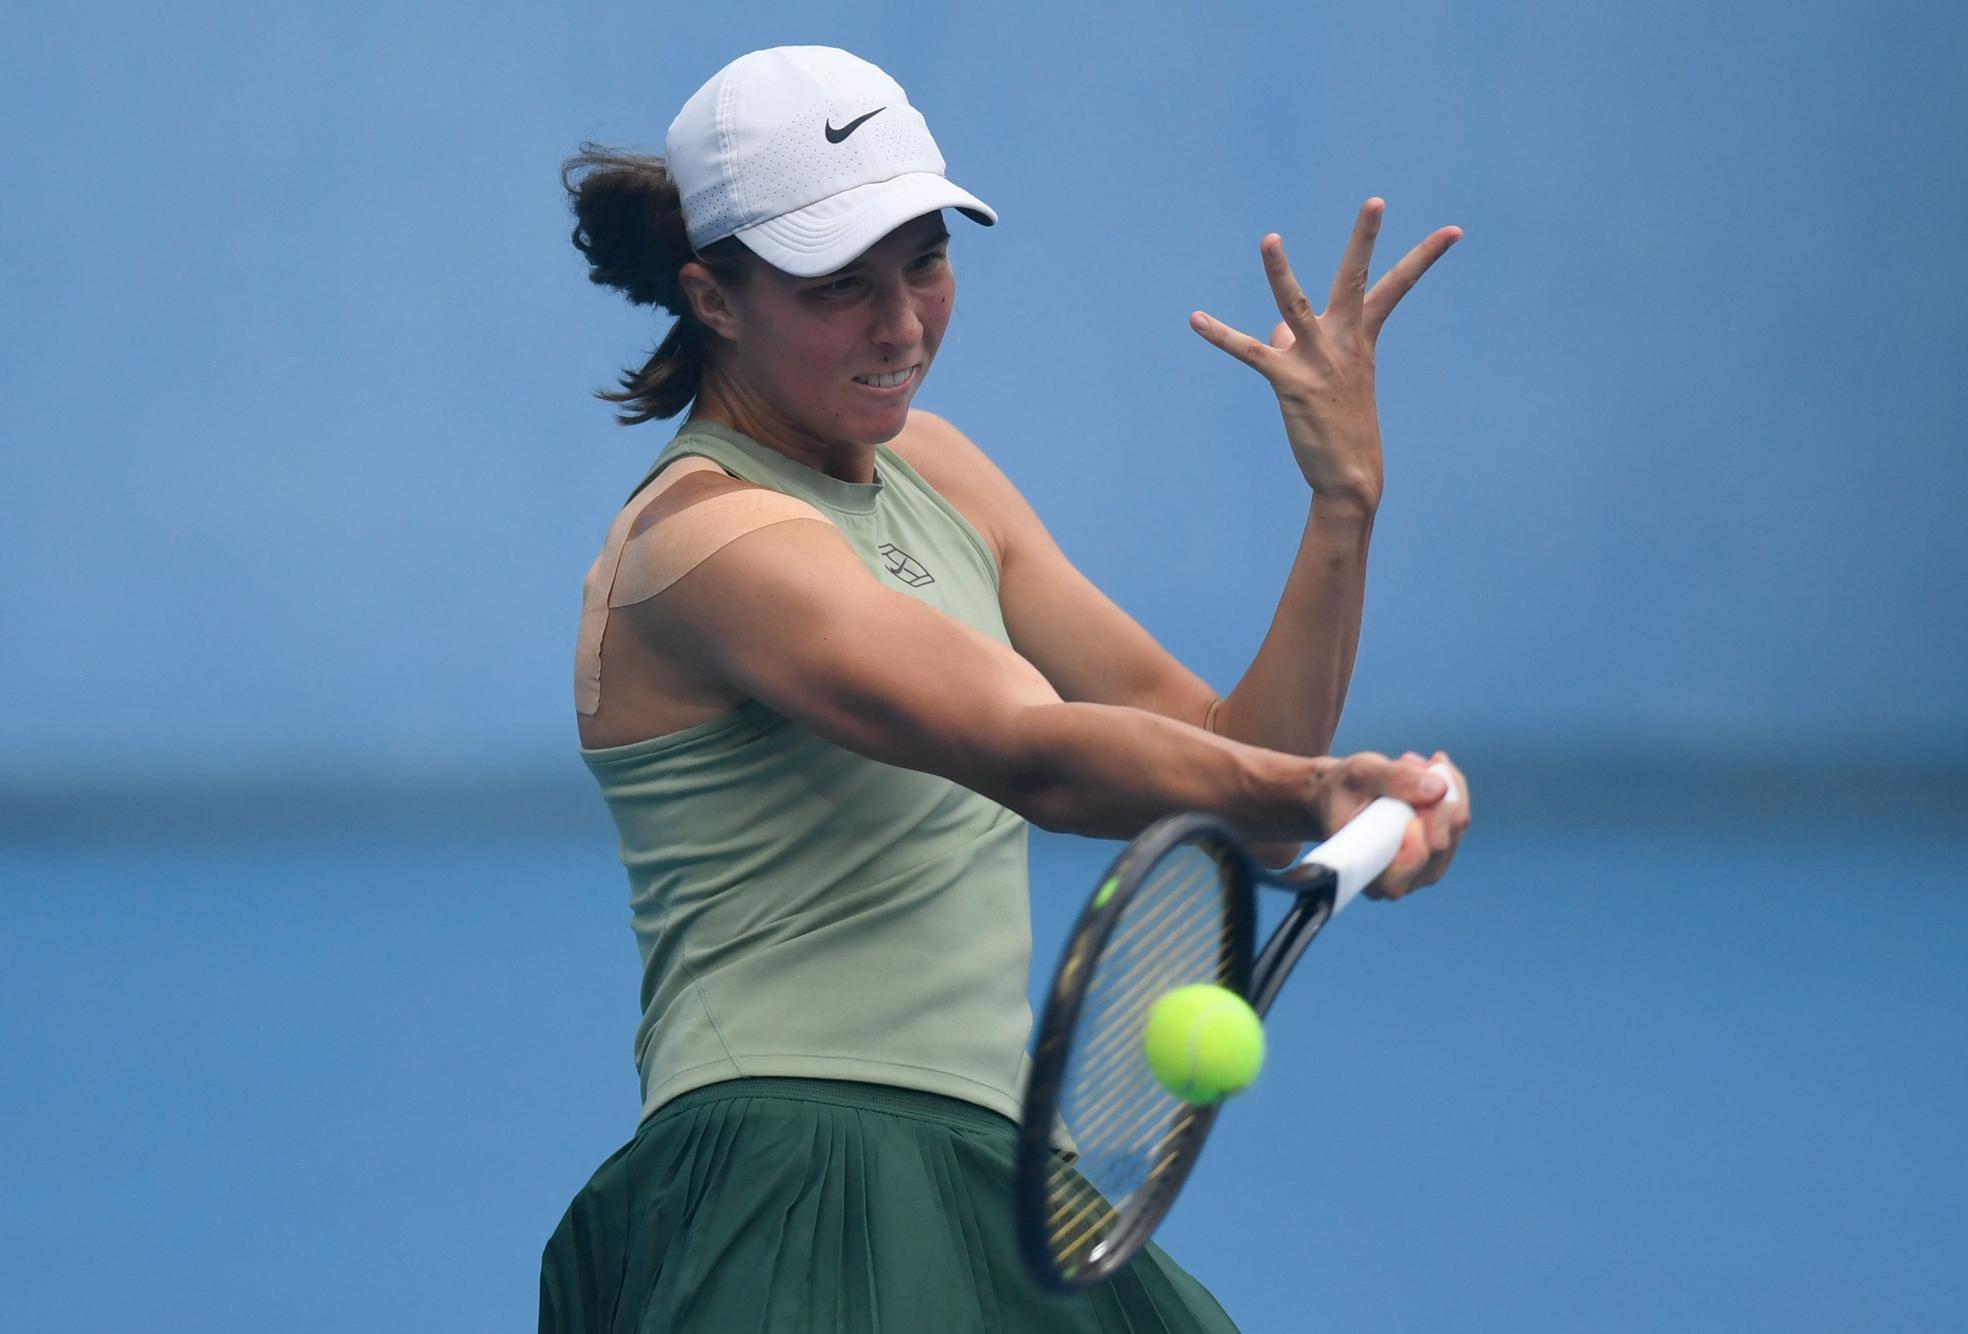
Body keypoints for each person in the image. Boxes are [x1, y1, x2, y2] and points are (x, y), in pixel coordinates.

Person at [541, 44, 1470, 1334]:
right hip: (785, 1177)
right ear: (713, 297)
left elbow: (1217, 756)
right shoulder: (706, 543)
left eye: (923, 261)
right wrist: (1317, 788)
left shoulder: (936, 471)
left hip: (982, 1169)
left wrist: (1342, 508)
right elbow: (1027, 749)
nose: (902, 324)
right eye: (838, 286)